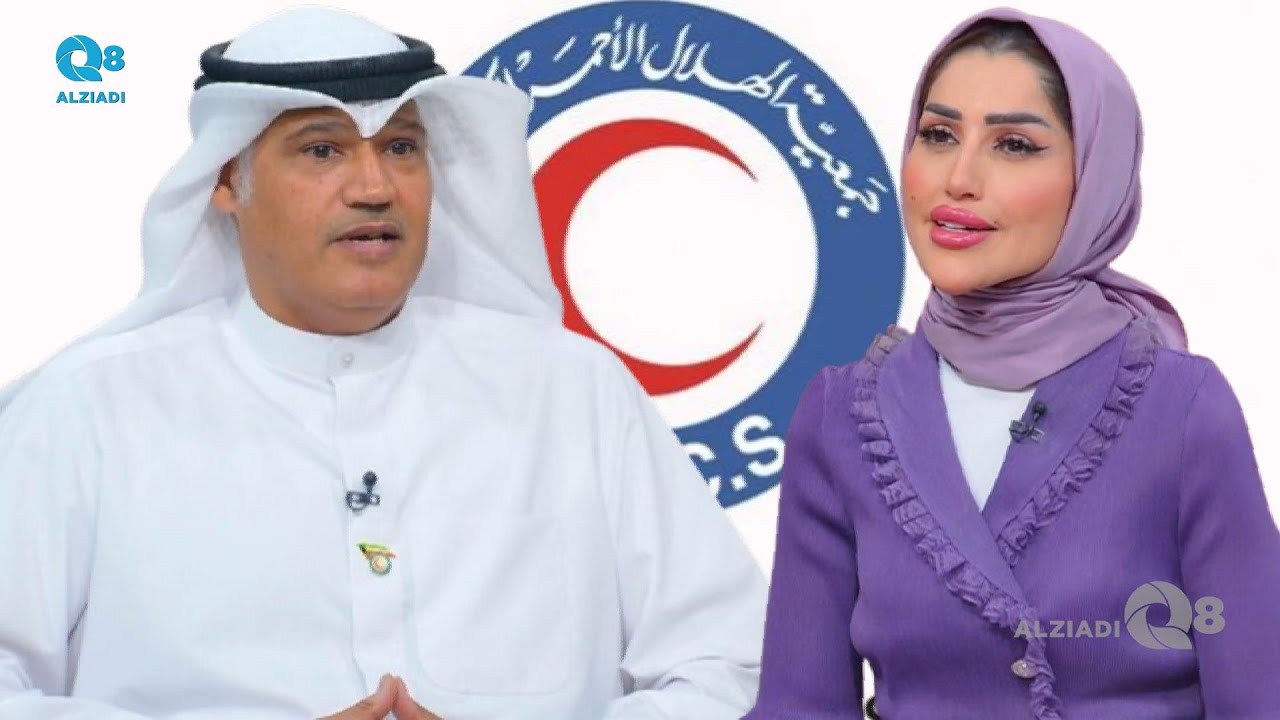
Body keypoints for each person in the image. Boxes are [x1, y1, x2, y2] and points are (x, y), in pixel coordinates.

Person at [0, 8, 766, 719]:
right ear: (228, 181)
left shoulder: (570, 390)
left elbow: (730, 666)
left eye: (401, 147)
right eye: (322, 150)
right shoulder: (89, 408)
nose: (374, 187)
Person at [745, 7, 1280, 720]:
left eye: (1014, 145)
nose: (959, 178)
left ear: (1093, 177)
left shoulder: (1182, 408)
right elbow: (798, 707)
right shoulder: (840, 414)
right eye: (938, 135)